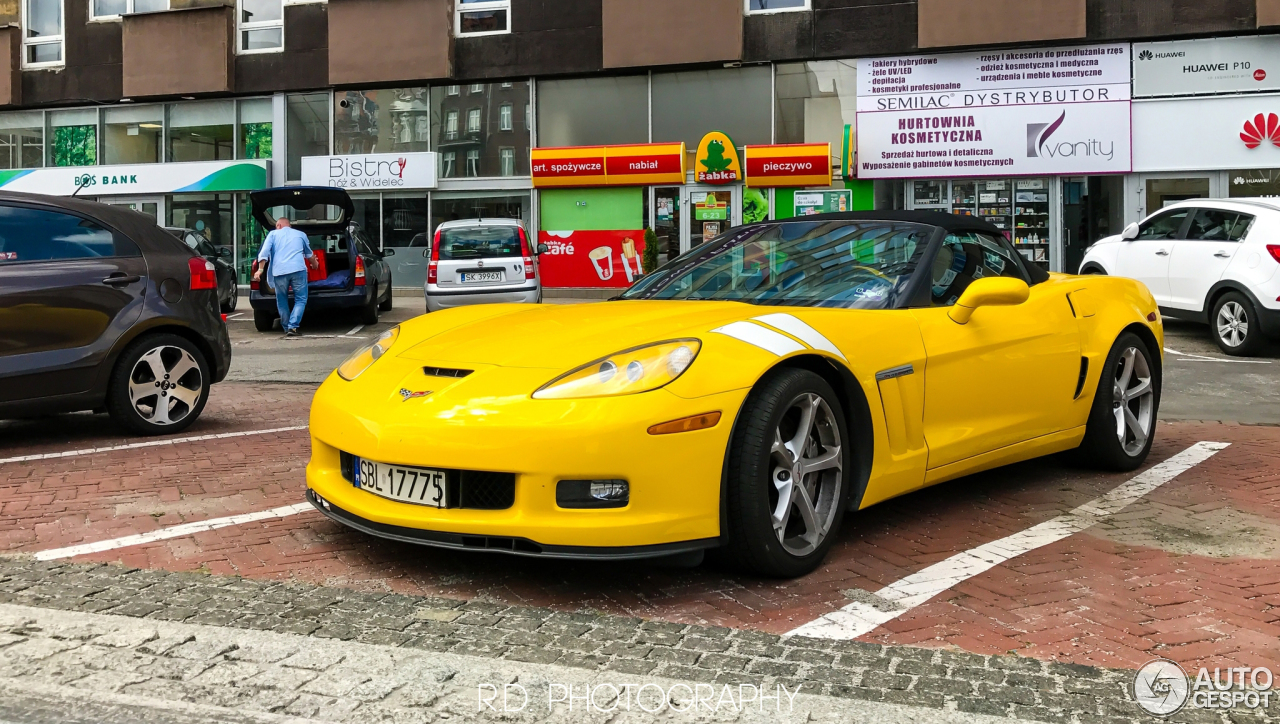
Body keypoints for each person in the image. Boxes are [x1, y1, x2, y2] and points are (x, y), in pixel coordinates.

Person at [253, 218, 317, 337]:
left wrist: (260, 270)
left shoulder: (272, 234)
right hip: (298, 270)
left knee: (282, 300)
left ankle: (286, 327)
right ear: (289, 225)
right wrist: (315, 264)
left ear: (278, 225)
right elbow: (310, 255)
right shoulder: (301, 234)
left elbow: (264, 252)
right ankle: (293, 327)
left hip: (280, 271)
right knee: (301, 299)